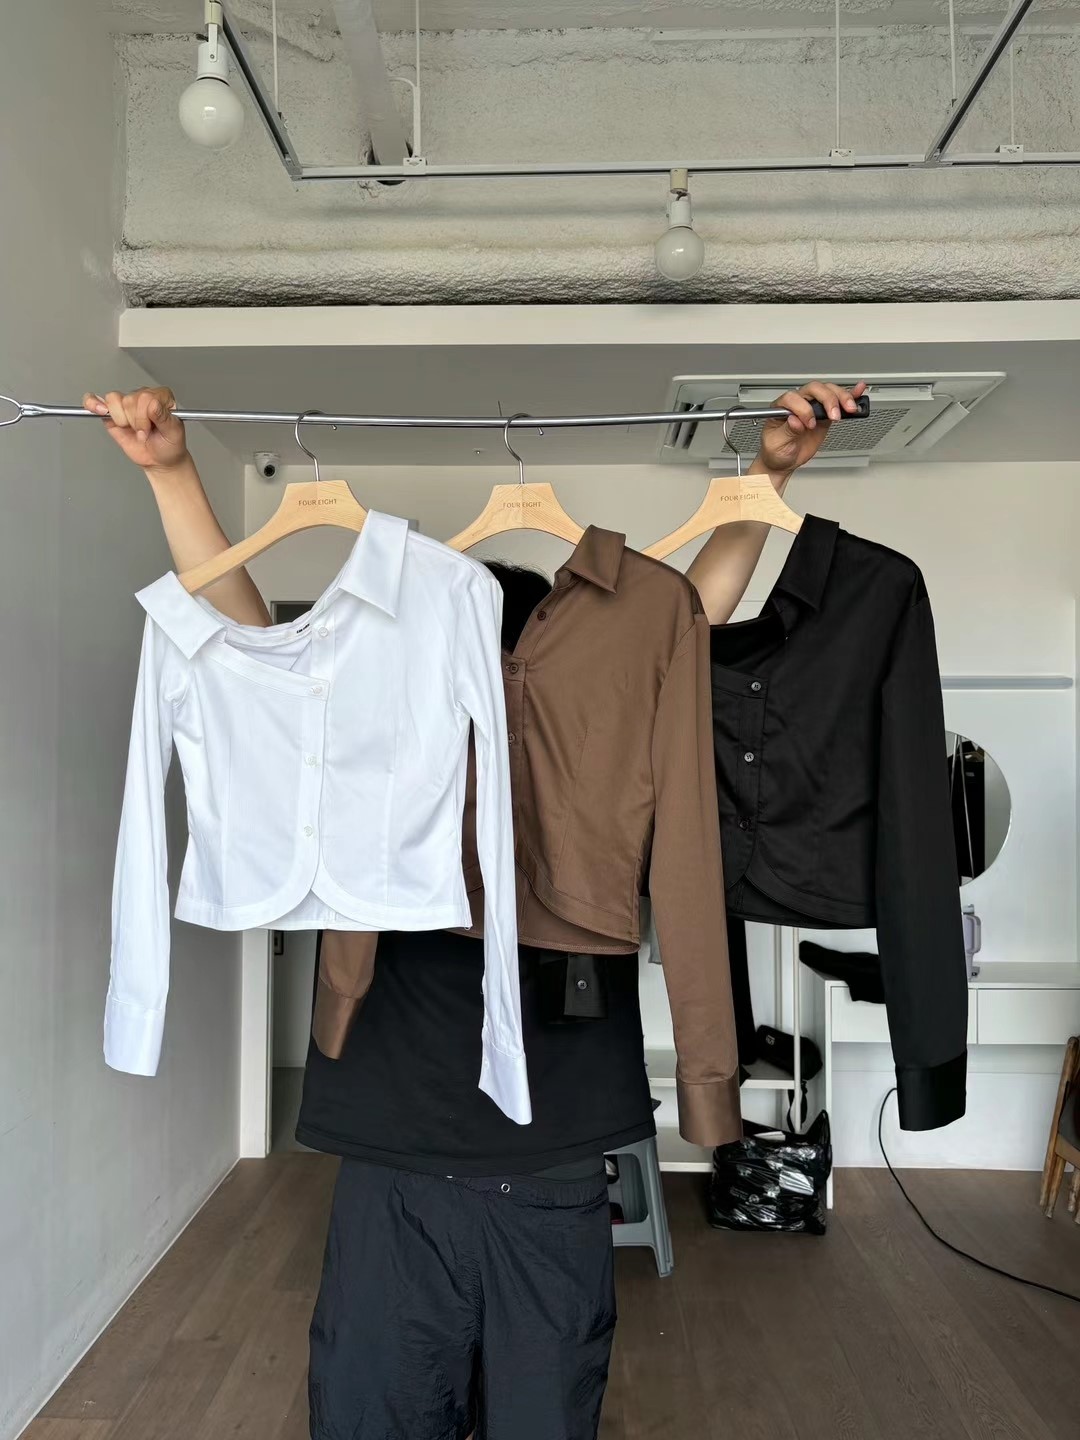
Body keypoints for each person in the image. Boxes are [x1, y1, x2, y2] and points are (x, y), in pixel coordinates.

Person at [87, 378, 865, 1440]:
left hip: (548, 1138)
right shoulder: (369, 678)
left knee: (538, 1412)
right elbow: (248, 635)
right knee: (374, 1409)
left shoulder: (615, 674)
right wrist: (173, 472)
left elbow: (683, 616)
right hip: (396, 1135)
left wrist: (762, 483)